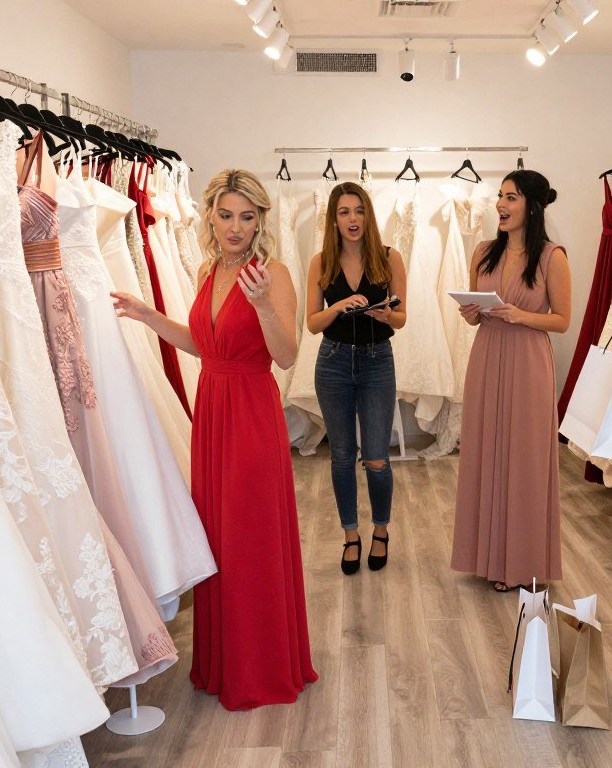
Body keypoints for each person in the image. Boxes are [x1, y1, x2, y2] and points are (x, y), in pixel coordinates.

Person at [111, 169, 317, 710]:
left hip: (251, 413)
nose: (235, 227)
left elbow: (288, 355)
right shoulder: (207, 268)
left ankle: (263, 668)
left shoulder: (271, 272)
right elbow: (203, 346)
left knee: (250, 536)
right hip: (213, 412)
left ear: (260, 221)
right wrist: (146, 314)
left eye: (247, 217)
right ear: (211, 216)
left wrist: (265, 305)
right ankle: (224, 661)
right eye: (226, 215)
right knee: (219, 540)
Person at [450, 170, 571, 592]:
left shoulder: (552, 256)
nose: (501, 205)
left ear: (532, 206)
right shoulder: (483, 251)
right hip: (487, 356)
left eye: (511, 198)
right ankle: (486, 557)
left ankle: (521, 564)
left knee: (524, 459)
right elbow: (475, 306)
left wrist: (521, 316)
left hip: (529, 361)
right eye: (500, 197)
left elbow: (561, 320)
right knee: (486, 450)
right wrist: (471, 312)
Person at [305, 181, 407, 575]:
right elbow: (313, 324)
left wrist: (385, 315)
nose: (352, 219)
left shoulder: (388, 257)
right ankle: (351, 535)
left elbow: (401, 317)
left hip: (377, 361)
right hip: (332, 362)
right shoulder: (321, 262)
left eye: (359, 211)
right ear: (333, 219)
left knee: (377, 458)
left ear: (368, 215)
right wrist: (341, 306)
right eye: (344, 212)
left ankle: (380, 529)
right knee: (343, 457)